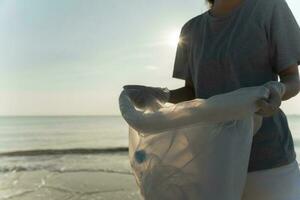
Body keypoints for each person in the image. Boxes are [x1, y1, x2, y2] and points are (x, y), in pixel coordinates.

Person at [168, 0, 300, 199]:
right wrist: (161, 96)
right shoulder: (191, 29)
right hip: (211, 160)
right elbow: (192, 93)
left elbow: (292, 79)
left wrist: (279, 90)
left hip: (267, 159)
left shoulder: (270, 7)